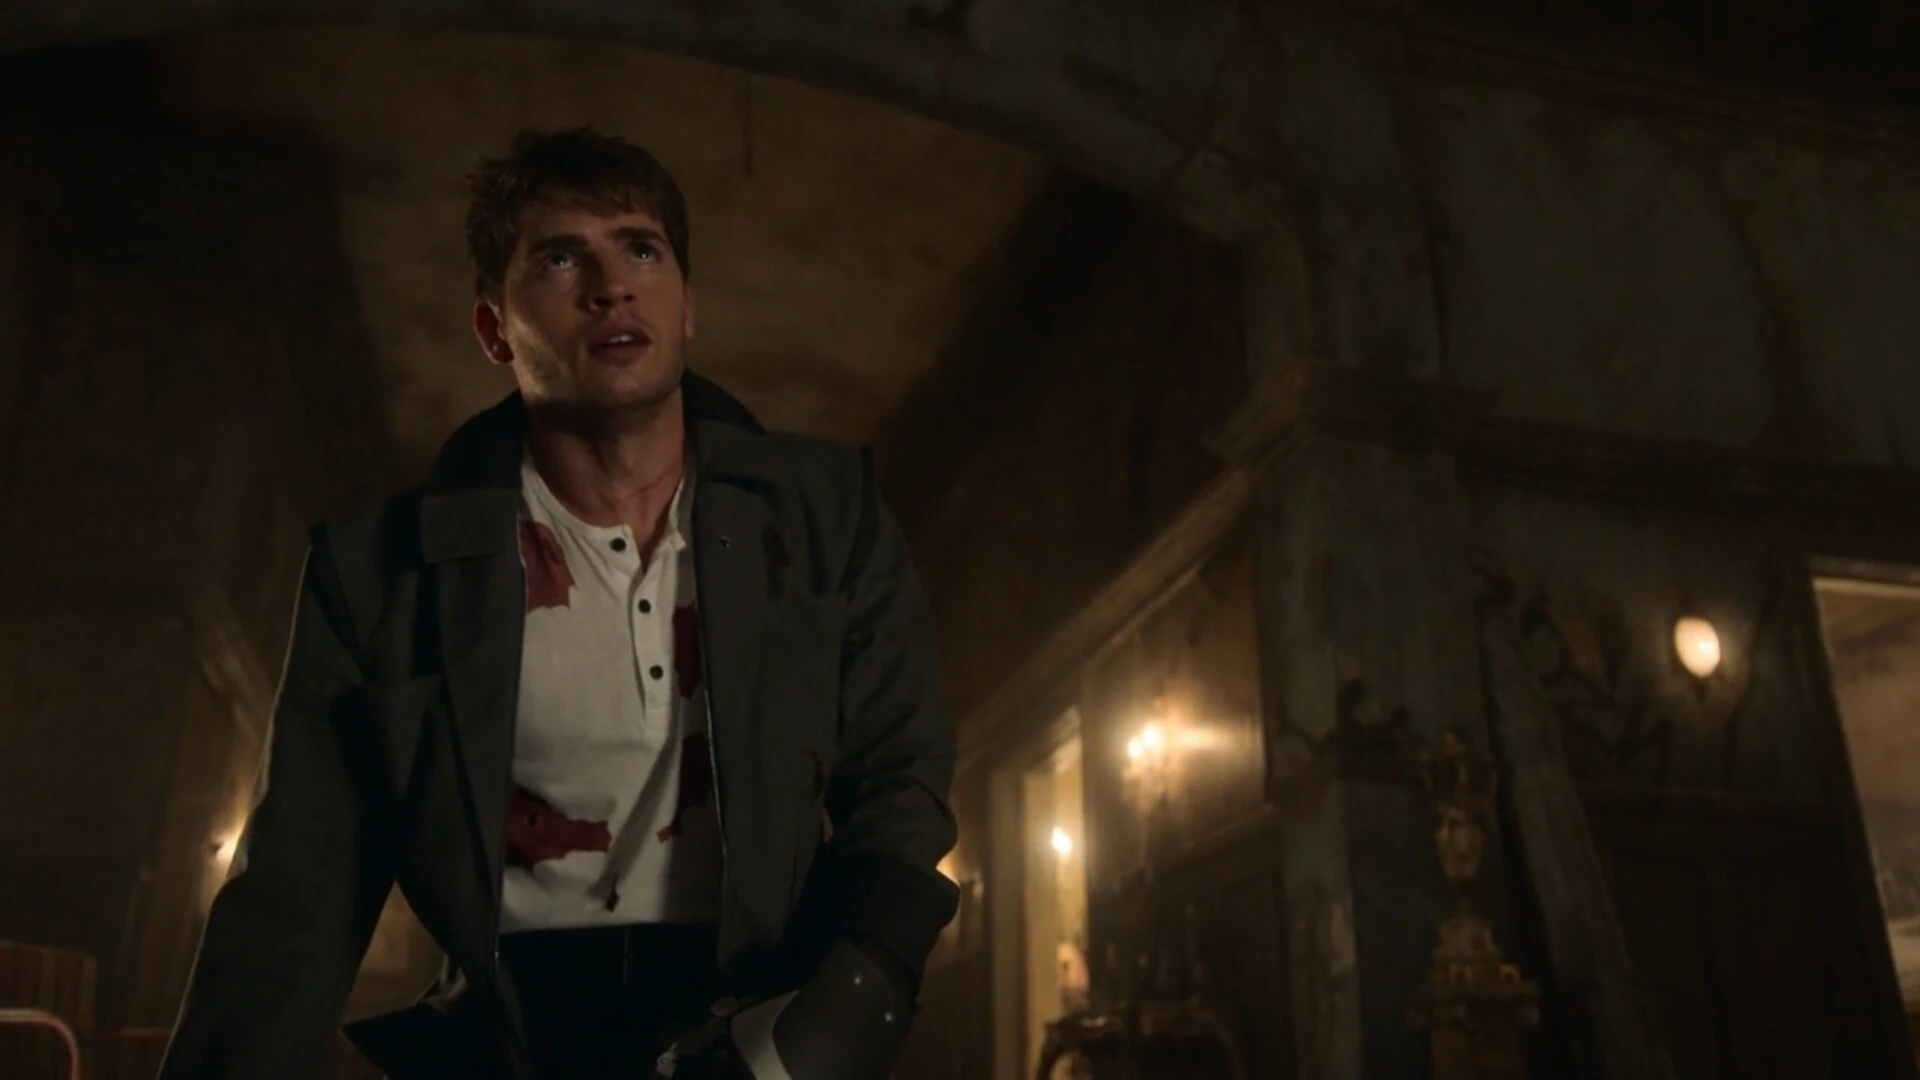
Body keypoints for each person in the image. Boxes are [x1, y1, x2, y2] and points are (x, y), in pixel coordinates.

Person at [158, 127, 960, 1080]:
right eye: (561, 258)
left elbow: (901, 778)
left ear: (686, 306)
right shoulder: (381, 571)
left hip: (755, 1021)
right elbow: (296, 888)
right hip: (509, 1039)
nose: (611, 286)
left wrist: (840, 1012)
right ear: (495, 329)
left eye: (641, 249)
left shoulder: (825, 512)